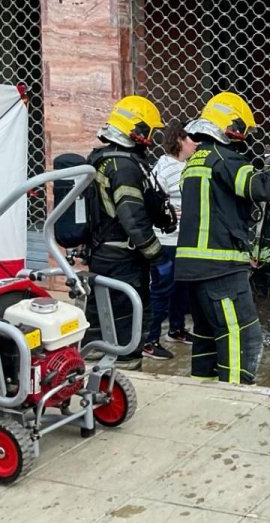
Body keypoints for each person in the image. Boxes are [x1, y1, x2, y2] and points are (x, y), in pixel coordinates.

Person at [175, 92, 270, 385]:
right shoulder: (224, 159)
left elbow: (218, 212)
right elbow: (263, 188)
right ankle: (233, 399)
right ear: (231, 126)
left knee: (208, 335)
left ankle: (200, 393)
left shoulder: (194, 161)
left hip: (195, 268)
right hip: (220, 268)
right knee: (242, 336)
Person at [83, 95, 167, 371]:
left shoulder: (101, 159)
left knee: (100, 313)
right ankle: (127, 369)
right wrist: (155, 252)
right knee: (129, 315)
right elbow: (132, 216)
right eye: (151, 131)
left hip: (102, 252)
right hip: (122, 258)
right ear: (138, 130)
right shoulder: (124, 167)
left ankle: (94, 358)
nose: (152, 138)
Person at [141, 122, 197, 360]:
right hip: (166, 240)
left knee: (181, 288)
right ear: (180, 140)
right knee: (161, 290)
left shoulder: (185, 166)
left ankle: (177, 330)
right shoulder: (164, 167)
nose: (197, 143)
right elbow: (150, 201)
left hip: (181, 240)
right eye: (192, 139)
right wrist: (170, 210)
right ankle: (150, 340)